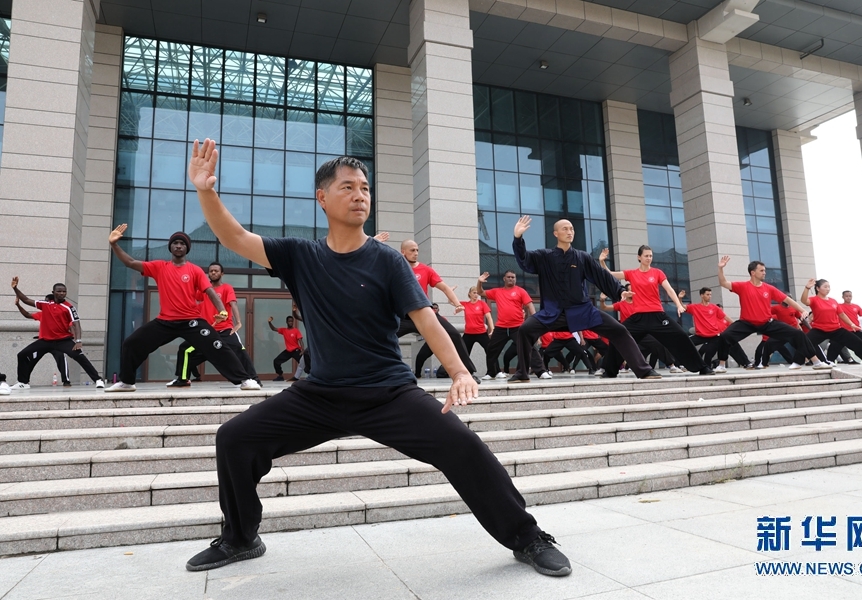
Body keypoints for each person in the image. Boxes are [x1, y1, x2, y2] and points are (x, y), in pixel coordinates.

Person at [184, 142, 571, 576]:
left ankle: (528, 538)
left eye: (365, 188)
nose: (359, 195)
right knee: (235, 438)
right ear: (322, 198)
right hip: (319, 395)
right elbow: (235, 237)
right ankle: (240, 537)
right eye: (347, 187)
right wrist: (206, 192)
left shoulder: (387, 260)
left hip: (388, 394)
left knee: (463, 447)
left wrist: (460, 370)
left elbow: (426, 319)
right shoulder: (300, 255)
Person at [104, 226, 260, 392]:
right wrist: (114, 245)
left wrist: (222, 310)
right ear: (170, 247)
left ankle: (244, 379)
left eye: (182, 244)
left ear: (187, 248)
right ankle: (127, 382)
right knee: (131, 344)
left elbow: (210, 292)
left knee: (217, 345)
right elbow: (130, 262)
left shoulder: (195, 270)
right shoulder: (159, 267)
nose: (178, 246)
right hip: (165, 321)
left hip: (191, 321)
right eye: (175, 243)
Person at [509, 216, 660, 382]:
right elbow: (524, 260)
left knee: (620, 330)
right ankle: (521, 374)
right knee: (524, 330)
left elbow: (601, 275)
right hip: (552, 312)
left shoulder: (582, 257)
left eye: (572, 229)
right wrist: (518, 238)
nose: (569, 232)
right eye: (565, 229)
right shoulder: (545, 256)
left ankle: (644, 370)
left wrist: (620, 291)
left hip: (582, 311)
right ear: (555, 233)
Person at [599, 246, 713, 375]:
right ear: (639, 257)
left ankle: (702, 367)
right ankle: (609, 371)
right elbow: (609, 274)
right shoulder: (631, 273)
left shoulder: (657, 272)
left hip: (657, 316)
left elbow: (669, 290)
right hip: (638, 318)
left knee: (681, 336)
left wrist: (678, 305)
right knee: (619, 337)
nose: (649, 258)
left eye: (651, 256)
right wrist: (603, 262)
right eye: (646, 256)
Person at [715, 257, 829, 371]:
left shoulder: (769, 288)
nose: (765, 273)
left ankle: (816, 361)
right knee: (725, 336)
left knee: (798, 334)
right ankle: (721, 365)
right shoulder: (742, 286)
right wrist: (720, 268)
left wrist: (802, 310)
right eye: (762, 270)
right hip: (746, 322)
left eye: (765, 270)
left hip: (767, 323)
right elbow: (723, 283)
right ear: (753, 272)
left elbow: (787, 300)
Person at [395, 239, 480, 381]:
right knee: (379, 337)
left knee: (454, 334)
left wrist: (457, 303)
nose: (416, 253)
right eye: (412, 250)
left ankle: (468, 373)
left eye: (417, 250)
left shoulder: (425, 270)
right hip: (403, 315)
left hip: (424, 314)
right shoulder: (396, 268)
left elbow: (445, 288)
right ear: (403, 252)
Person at [171, 262, 259, 387]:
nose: (213, 273)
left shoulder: (227, 288)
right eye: (211, 271)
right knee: (185, 349)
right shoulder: (205, 290)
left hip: (225, 330)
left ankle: (254, 379)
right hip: (207, 332)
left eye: (216, 271)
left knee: (239, 350)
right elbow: (190, 295)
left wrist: (238, 322)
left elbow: (233, 303)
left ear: (222, 274)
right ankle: (182, 379)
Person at [9, 278, 104, 390]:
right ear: (53, 292)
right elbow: (25, 300)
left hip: (63, 341)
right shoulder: (45, 304)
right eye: (59, 291)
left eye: (64, 291)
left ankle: (98, 380)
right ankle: (23, 382)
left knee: (80, 356)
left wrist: (78, 340)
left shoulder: (69, 307)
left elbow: (77, 324)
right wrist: (15, 288)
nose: (62, 293)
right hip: (45, 341)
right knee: (22, 354)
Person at [475, 271, 550, 380]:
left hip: (518, 327)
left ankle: (541, 371)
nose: (511, 279)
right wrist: (479, 282)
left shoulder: (521, 291)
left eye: (513, 277)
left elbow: (530, 306)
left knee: (529, 348)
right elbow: (480, 292)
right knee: (491, 349)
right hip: (501, 327)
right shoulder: (497, 292)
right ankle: (492, 372)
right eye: (509, 277)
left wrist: (535, 322)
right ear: (504, 279)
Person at [801, 279, 862, 367]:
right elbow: (804, 301)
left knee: (857, 342)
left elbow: (842, 314)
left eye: (829, 287)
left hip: (838, 330)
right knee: (807, 342)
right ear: (818, 288)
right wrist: (807, 288)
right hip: (820, 329)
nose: (828, 289)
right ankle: (799, 362)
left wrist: (852, 324)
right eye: (825, 287)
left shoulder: (834, 301)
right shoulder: (815, 300)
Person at [679, 288, 751, 369]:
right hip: (700, 336)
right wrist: (680, 298)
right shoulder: (695, 307)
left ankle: (745, 363)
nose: (710, 296)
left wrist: (738, 325)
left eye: (710, 294)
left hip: (714, 336)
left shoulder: (714, 308)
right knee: (685, 344)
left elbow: (726, 317)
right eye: (707, 294)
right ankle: (680, 364)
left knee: (712, 352)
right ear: (702, 295)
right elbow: (683, 307)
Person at [16, 296, 71, 386]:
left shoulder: (61, 314)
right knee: (31, 360)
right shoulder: (43, 314)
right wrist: (18, 305)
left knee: (61, 358)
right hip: (43, 342)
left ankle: (66, 381)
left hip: (56, 342)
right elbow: (27, 315)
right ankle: (24, 382)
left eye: (46, 301)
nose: (44, 303)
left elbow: (72, 325)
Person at [268, 316, 303, 382]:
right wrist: (269, 322)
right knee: (276, 361)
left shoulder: (296, 330)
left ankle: (311, 376)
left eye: (292, 321)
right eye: (289, 321)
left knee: (304, 363)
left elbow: (300, 340)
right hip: (288, 351)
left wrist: (302, 350)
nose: (291, 322)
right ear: (286, 322)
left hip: (296, 351)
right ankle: (280, 376)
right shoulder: (284, 330)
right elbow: (273, 329)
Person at [461, 287, 493, 360]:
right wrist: (450, 291)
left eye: (477, 293)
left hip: (481, 333)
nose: (476, 295)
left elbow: (489, 317)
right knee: (463, 353)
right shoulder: (465, 304)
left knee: (490, 351)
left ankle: (495, 371)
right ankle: (465, 371)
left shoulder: (482, 304)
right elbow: (451, 302)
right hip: (468, 334)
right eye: (474, 293)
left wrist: (492, 329)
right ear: (470, 294)